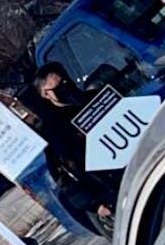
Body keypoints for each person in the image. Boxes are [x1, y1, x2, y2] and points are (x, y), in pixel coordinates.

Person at [21, 67, 115, 232]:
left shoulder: (97, 98)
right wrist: (95, 204)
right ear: (46, 94)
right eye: (57, 86)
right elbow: (64, 177)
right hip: (114, 187)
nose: (64, 87)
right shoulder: (53, 130)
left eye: (64, 81)